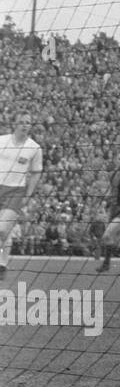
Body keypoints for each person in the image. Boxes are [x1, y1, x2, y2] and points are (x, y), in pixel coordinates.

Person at [0, 112, 43, 283]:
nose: (25, 125)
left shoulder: (34, 148)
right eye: (21, 122)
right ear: (14, 124)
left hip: (16, 191)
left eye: (28, 122)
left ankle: (2, 263)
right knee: (4, 231)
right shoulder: (2, 141)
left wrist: (28, 193)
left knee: (3, 229)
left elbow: (36, 173)